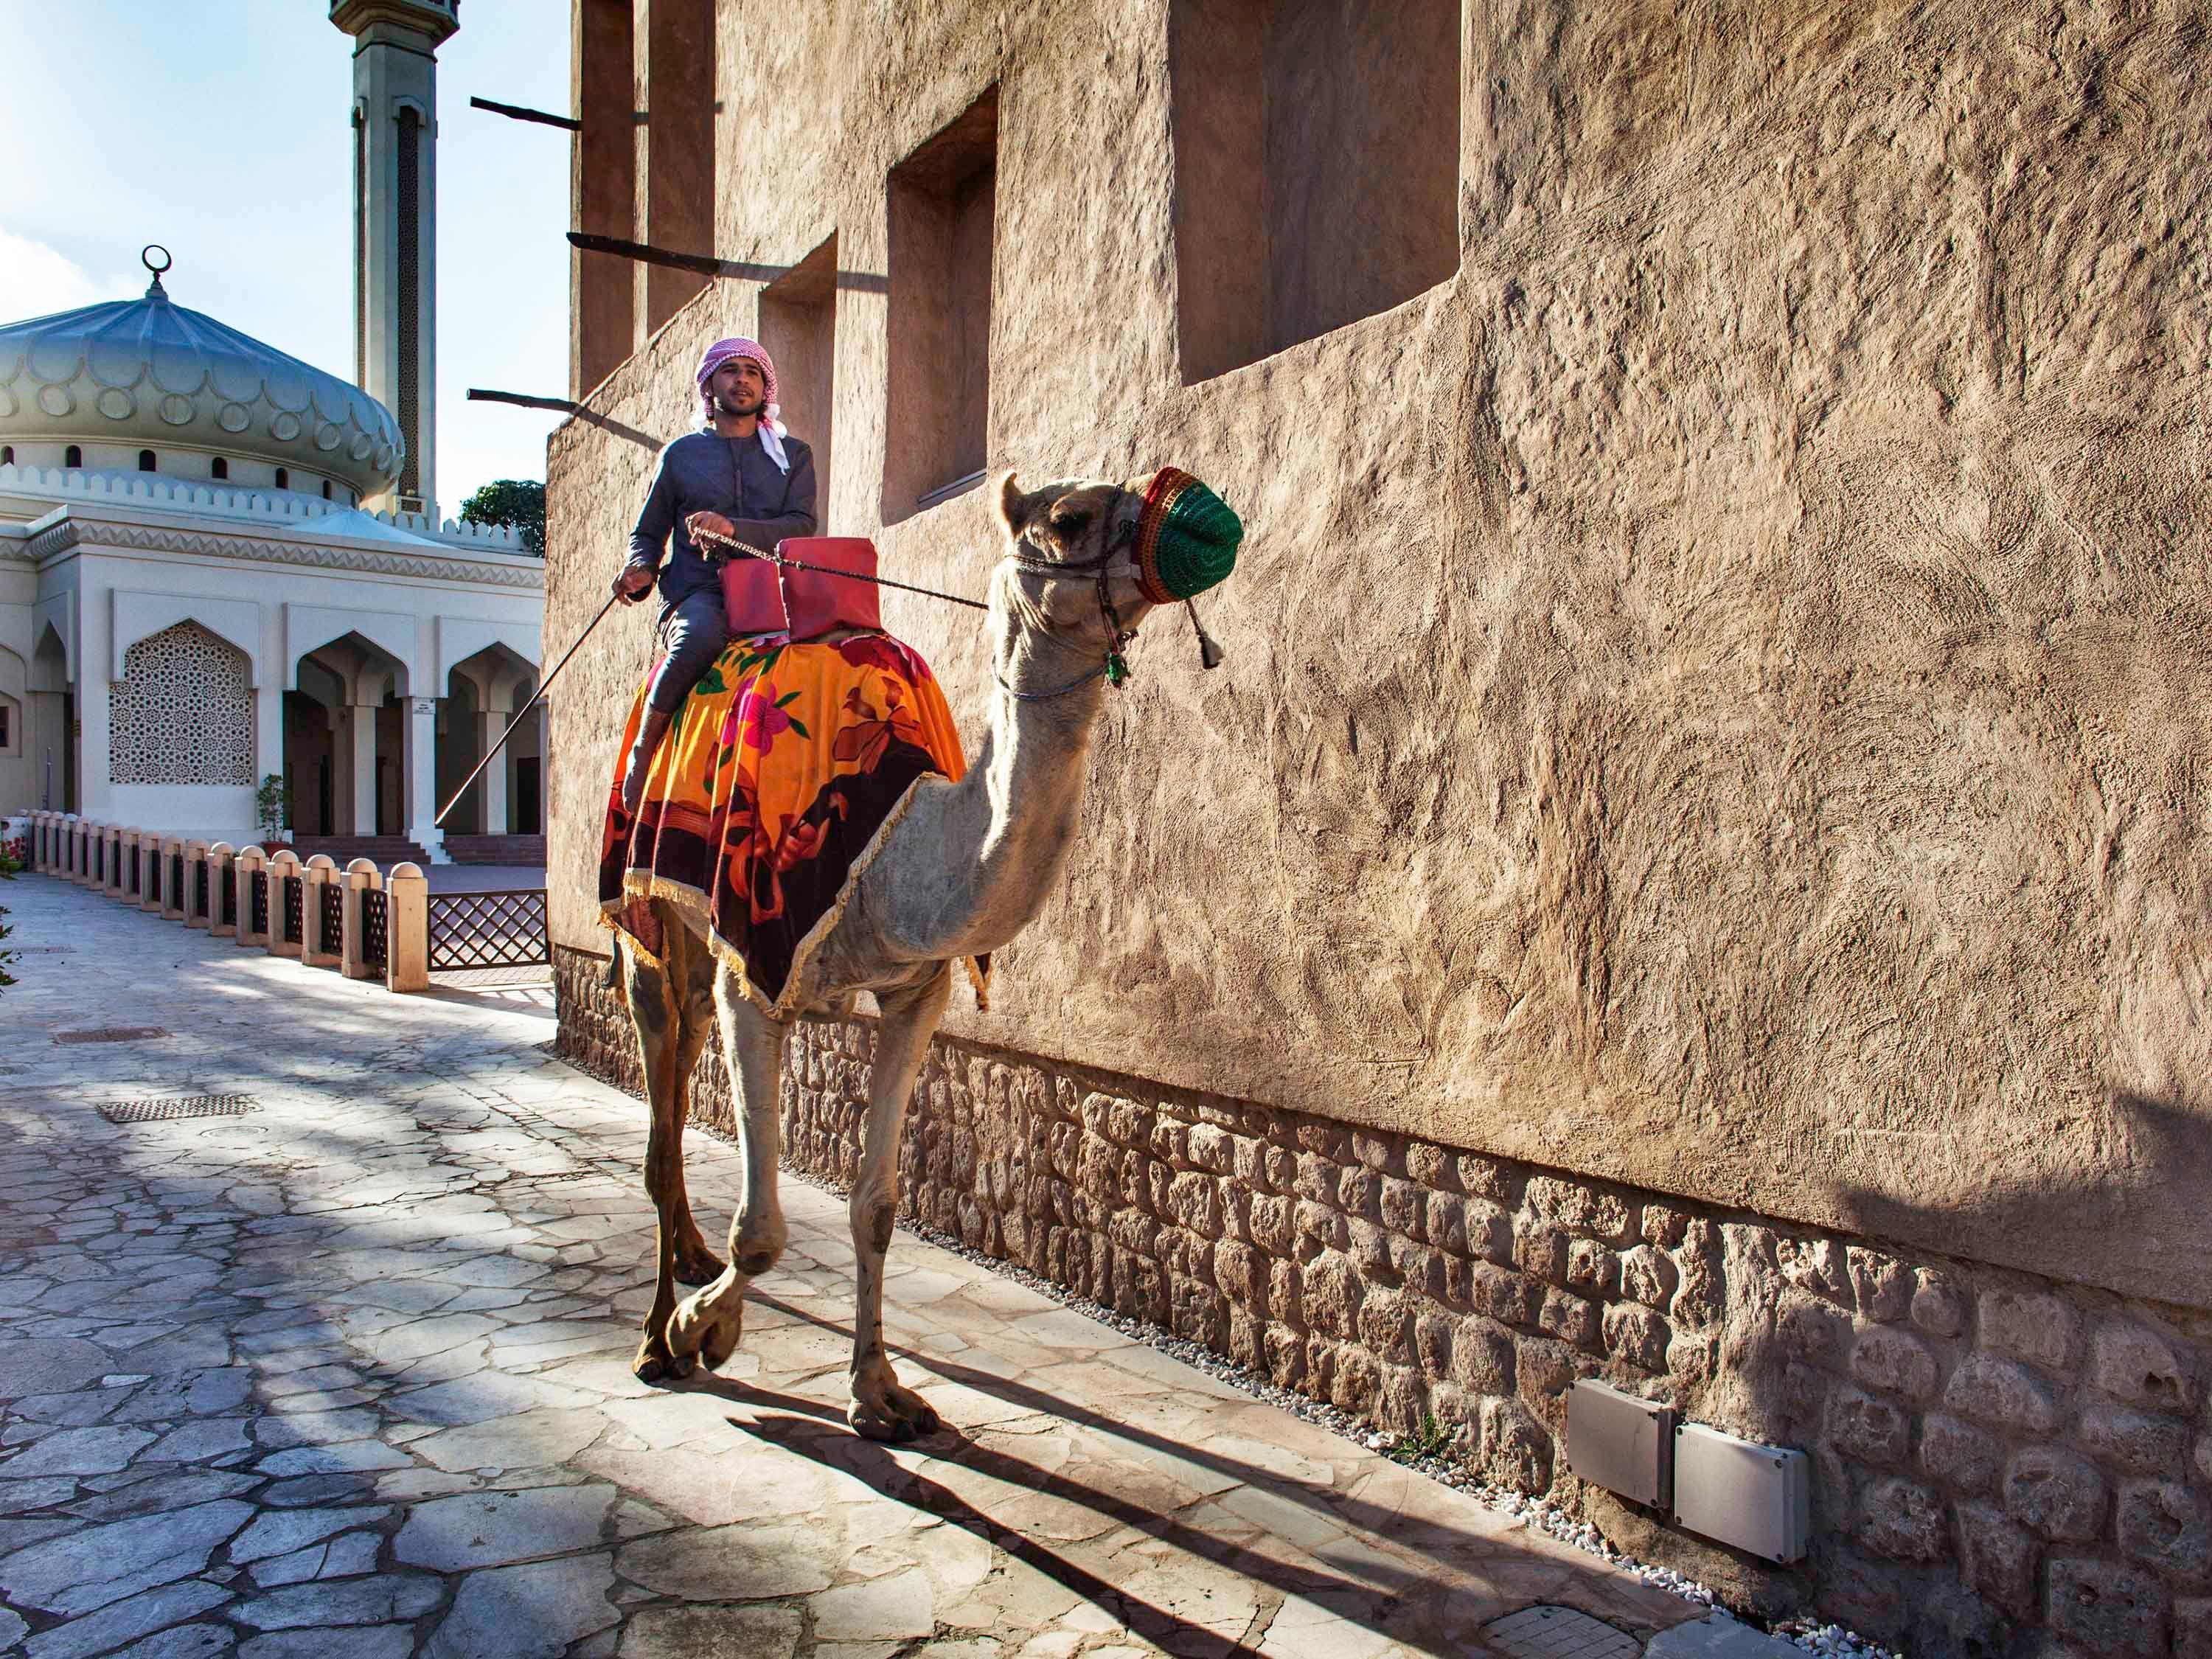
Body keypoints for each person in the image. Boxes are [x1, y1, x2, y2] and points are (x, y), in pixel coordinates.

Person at [613, 338, 818, 813]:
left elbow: (803, 526)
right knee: (700, 639)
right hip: (698, 592)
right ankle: (644, 753)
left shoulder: (795, 454)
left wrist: (733, 529)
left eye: (752, 372)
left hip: (774, 590)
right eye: (730, 371)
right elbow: (647, 532)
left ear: (766, 386)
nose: (742, 380)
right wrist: (639, 567)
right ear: (711, 385)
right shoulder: (681, 455)